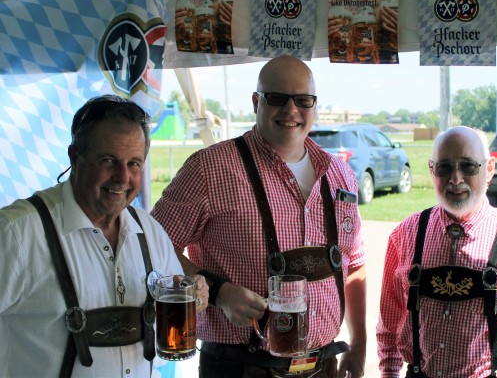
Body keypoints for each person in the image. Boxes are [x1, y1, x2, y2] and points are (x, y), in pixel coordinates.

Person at [151, 55, 367, 378]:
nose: (291, 110)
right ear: (256, 102)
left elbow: (355, 264)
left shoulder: (340, 175)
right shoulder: (210, 168)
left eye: (303, 100)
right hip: (241, 367)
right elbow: (152, 245)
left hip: (323, 366)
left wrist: (360, 344)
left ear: (315, 104)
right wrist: (220, 293)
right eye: (277, 99)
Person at [0, 95, 208, 377]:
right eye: (108, 160)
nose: (123, 178)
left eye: (134, 163)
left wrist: (196, 295)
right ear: (75, 158)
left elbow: (174, 305)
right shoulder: (17, 233)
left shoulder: (150, 231)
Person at [376, 126, 497, 377]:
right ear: (431, 170)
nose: (456, 179)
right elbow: (389, 329)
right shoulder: (405, 235)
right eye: (444, 167)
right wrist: (389, 373)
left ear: (489, 169)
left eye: (468, 167)